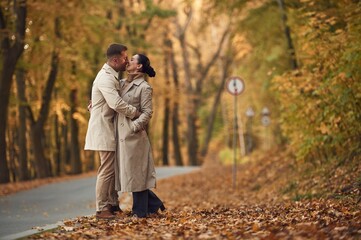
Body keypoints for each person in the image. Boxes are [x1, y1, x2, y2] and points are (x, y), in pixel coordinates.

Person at [84, 43, 140, 220]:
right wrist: (136, 113)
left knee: (112, 169)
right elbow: (116, 103)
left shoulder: (112, 76)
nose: (126, 61)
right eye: (125, 57)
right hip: (103, 129)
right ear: (115, 60)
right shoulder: (105, 78)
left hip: (109, 127)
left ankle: (113, 205)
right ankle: (102, 209)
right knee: (106, 170)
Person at [114, 54, 165, 218]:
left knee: (137, 173)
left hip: (135, 137)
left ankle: (140, 211)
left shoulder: (144, 87)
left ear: (139, 67)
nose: (128, 61)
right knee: (129, 174)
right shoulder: (121, 84)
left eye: (133, 60)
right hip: (120, 136)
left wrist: (133, 127)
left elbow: (148, 112)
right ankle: (154, 204)